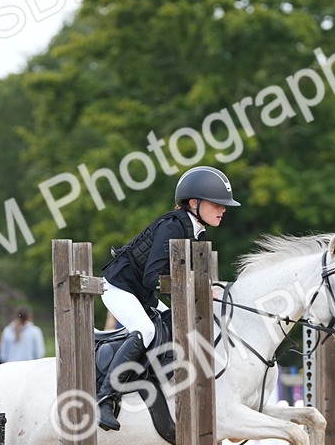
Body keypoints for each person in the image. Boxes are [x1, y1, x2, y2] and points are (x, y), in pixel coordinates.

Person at [96, 165, 240, 430]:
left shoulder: (196, 231)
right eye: (217, 204)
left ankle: (153, 379)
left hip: (141, 292)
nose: (223, 209)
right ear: (194, 203)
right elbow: (153, 278)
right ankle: (105, 398)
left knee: (172, 324)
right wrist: (198, 288)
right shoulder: (173, 227)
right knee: (145, 330)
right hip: (120, 287)